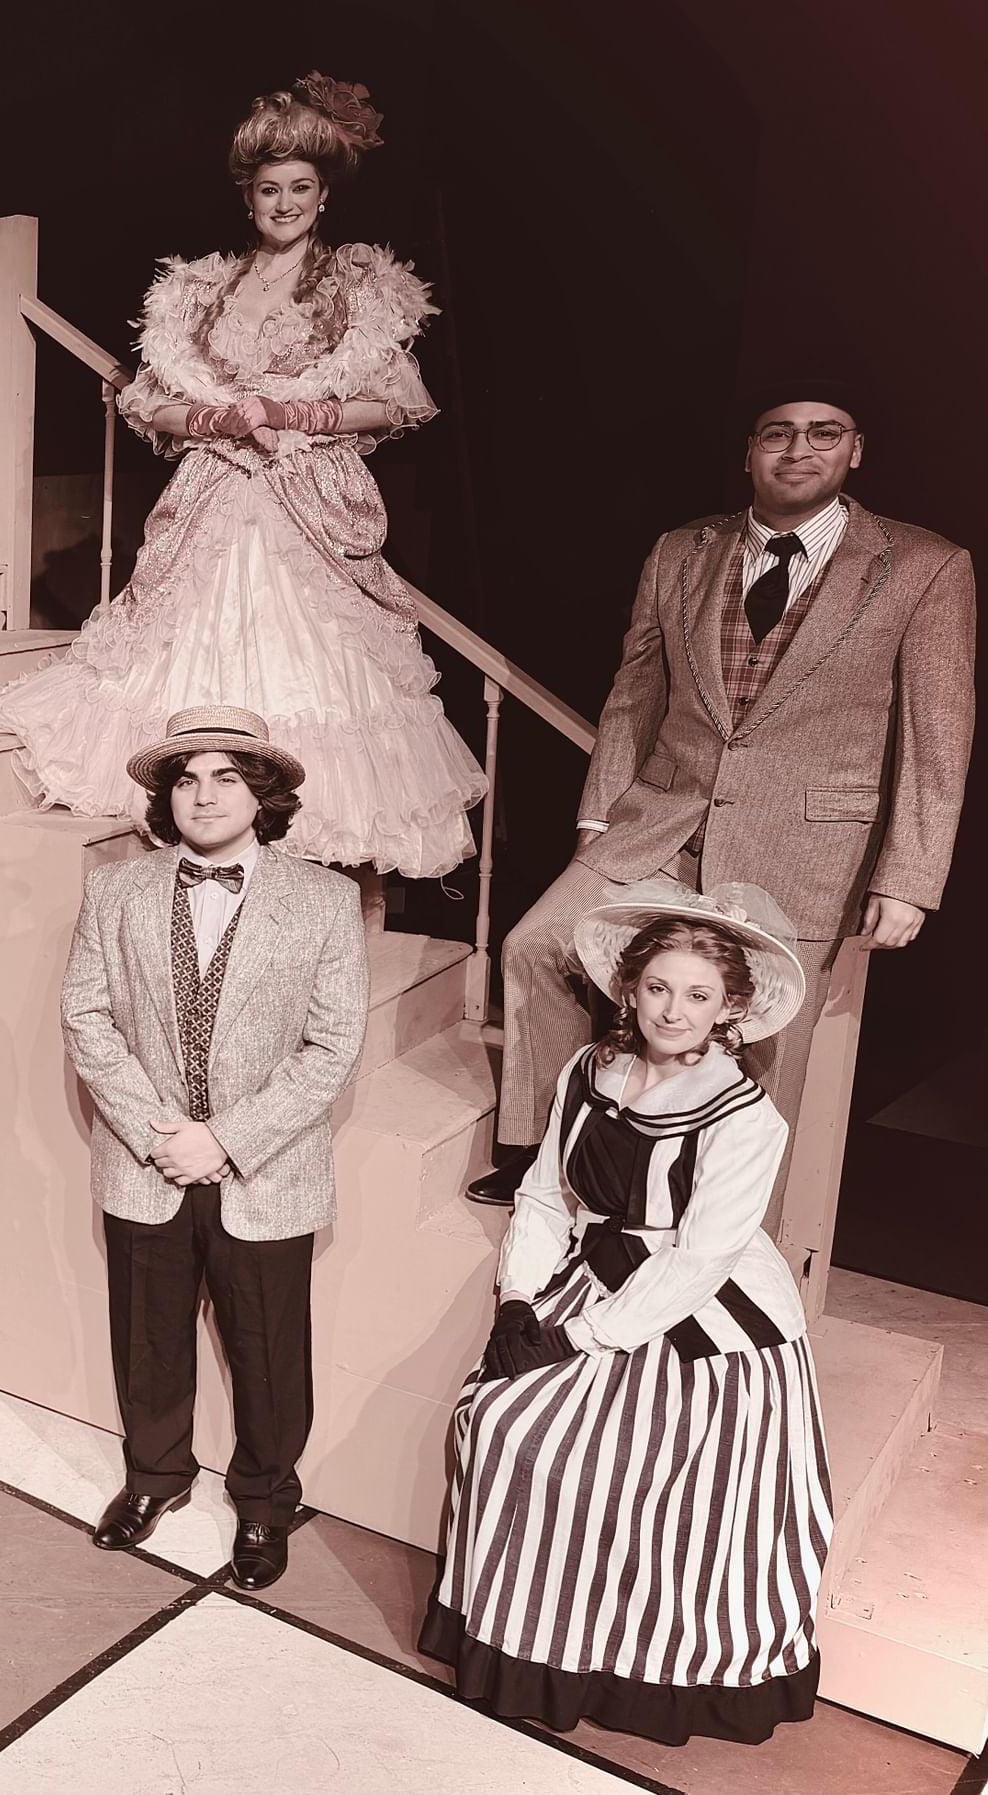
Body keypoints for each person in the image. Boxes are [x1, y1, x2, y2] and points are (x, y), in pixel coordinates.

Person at [0, 72, 486, 878]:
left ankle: (301, 876)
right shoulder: (201, 289)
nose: (285, 204)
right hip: (213, 494)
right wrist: (214, 418)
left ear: (324, 196)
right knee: (187, 652)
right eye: (270, 189)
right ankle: (204, 856)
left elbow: (394, 403)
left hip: (309, 500)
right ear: (249, 197)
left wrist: (297, 415)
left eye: (301, 189)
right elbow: (152, 403)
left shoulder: (357, 288)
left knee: (313, 674)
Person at [469, 383, 975, 1204]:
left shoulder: (924, 566)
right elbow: (634, 691)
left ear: (856, 450)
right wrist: (598, 816)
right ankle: (543, 1153)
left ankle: (731, 1234)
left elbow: (940, 729)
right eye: (777, 433)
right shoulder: (681, 550)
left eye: (823, 432)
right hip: (660, 824)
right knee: (539, 945)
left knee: (766, 1040)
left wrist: (909, 875)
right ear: (748, 452)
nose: (798, 448)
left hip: (804, 846)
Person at [425, 882, 830, 1746]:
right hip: (591, 1277)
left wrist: (581, 1334)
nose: (671, 1009)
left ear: (729, 1010)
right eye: (658, 987)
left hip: (697, 1319)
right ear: (629, 987)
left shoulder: (746, 1114)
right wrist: (520, 1301)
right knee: (492, 1423)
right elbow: (542, 1197)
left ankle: (635, 1672)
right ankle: (519, 1647)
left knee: (616, 1470)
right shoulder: (587, 1070)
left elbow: (700, 1258)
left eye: (696, 995)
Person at [63, 706, 369, 1589]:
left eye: (226, 776)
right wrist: (161, 1136)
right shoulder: (113, 891)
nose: (204, 794)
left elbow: (333, 1045)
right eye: (186, 778)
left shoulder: (324, 899)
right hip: (145, 1160)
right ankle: (155, 1478)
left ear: (261, 794)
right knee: (148, 1339)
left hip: (266, 1170)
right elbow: (86, 1019)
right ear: (166, 796)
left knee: (270, 1350)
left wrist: (226, 1141)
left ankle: (267, 1502)